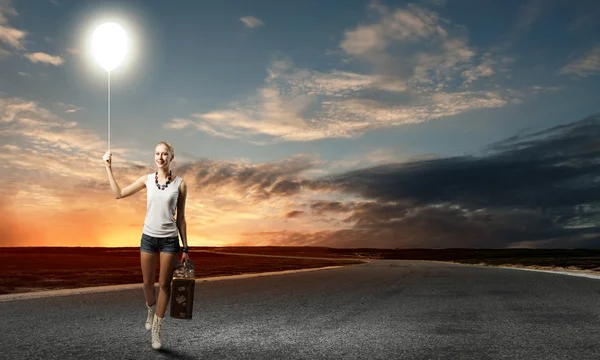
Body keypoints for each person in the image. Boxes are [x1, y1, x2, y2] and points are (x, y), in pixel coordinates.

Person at [103, 141, 189, 350]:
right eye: (157, 153)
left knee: (165, 285)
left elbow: (181, 218)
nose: (160, 157)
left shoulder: (180, 184)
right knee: (147, 284)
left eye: (164, 154)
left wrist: (185, 247)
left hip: (169, 240)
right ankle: (150, 309)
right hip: (148, 238)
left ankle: (157, 329)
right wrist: (108, 167)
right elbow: (118, 194)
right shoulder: (147, 180)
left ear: (171, 157)